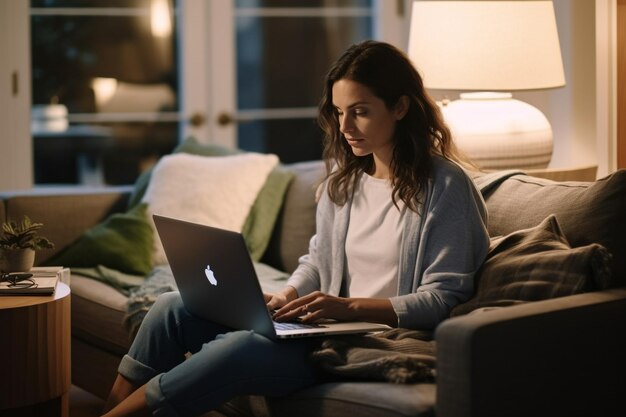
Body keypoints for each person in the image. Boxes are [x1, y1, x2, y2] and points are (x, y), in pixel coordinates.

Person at [102, 40, 490, 417]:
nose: (345, 126)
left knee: (240, 348)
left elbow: (443, 299)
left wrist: (346, 307)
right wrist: (286, 296)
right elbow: (317, 262)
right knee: (172, 306)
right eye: (339, 112)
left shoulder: (446, 187)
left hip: (370, 343)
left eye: (361, 111)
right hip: (322, 329)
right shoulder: (346, 181)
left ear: (401, 107)